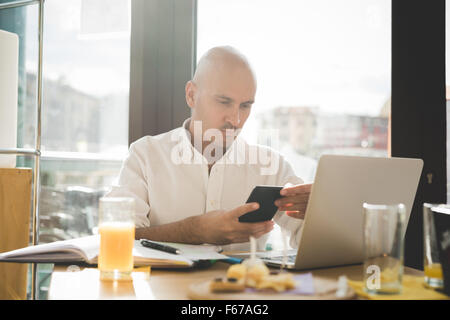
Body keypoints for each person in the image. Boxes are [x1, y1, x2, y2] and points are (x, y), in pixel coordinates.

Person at [107, 46, 312, 251]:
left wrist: (324, 214)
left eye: (245, 105)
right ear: (191, 95)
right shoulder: (145, 155)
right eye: (224, 102)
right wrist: (192, 231)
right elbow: (114, 239)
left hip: (245, 284)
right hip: (168, 284)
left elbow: (312, 240)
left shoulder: (272, 167)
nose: (236, 119)